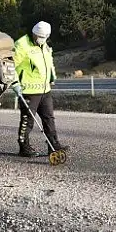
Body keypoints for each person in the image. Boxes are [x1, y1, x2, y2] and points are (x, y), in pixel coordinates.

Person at [13, 21, 70, 157]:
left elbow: (49, 63)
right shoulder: (22, 44)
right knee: (28, 121)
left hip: (45, 90)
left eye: (44, 37)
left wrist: (52, 77)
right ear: (33, 33)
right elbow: (10, 65)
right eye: (38, 36)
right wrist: (15, 83)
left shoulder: (45, 46)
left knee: (49, 119)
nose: (41, 39)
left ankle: (53, 145)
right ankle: (24, 147)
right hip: (28, 91)